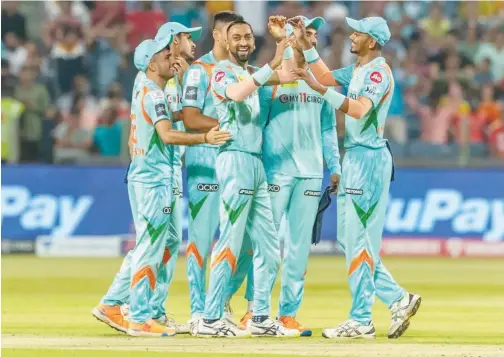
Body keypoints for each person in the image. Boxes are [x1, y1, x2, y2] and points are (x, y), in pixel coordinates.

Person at [288, 16, 421, 339]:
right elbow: (323, 75)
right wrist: (305, 44)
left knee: (359, 242)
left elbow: (360, 110)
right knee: (351, 241)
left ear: (372, 41)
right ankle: (398, 299)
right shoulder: (358, 70)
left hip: (368, 160)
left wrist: (321, 91)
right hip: (356, 159)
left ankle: (362, 319)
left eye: (358, 32)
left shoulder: (377, 72)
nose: (352, 36)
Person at [92, 34, 232, 337]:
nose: (173, 59)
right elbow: (167, 134)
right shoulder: (154, 93)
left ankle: (123, 306)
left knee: (165, 241)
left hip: (156, 175)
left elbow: (169, 117)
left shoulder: (148, 86)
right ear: (152, 62)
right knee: (151, 242)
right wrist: (204, 137)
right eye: (166, 56)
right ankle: (138, 316)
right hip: (153, 178)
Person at [194, 19, 300, 338]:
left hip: (255, 163)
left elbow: (290, 74)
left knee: (268, 245)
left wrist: (289, 42)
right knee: (230, 238)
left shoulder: (248, 71)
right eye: (236, 36)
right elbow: (238, 94)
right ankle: (211, 318)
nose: (242, 41)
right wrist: (273, 62)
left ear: (254, 43)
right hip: (235, 159)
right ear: (225, 43)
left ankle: (260, 316)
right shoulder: (224, 71)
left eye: (247, 37)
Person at [236, 15, 342, 336]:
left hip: (311, 173)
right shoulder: (272, 77)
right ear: (292, 37)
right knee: (266, 245)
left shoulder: (320, 78)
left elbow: (328, 127)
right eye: (305, 33)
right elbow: (252, 119)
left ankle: (288, 315)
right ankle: (255, 311)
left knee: (298, 248)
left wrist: (334, 166)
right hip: (275, 170)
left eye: (314, 34)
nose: (312, 38)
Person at [180, 11, 255, 331]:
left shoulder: (244, 73)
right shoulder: (200, 71)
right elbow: (190, 117)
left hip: (239, 166)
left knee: (247, 244)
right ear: (217, 35)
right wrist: (232, 127)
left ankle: (220, 299)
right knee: (201, 240)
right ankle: (200, 311)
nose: (233, 40)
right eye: (228, 34)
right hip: (206, 165)